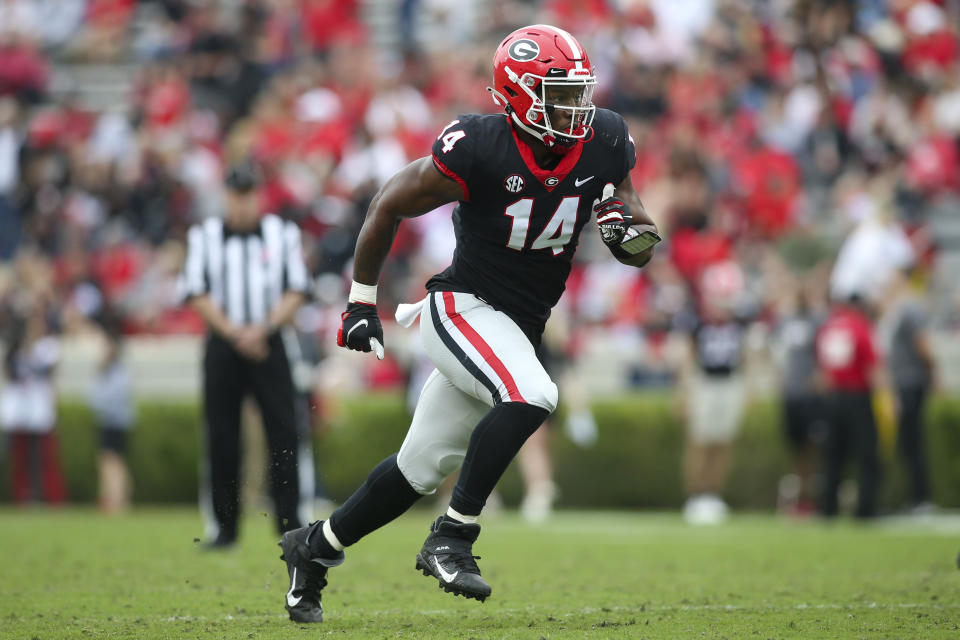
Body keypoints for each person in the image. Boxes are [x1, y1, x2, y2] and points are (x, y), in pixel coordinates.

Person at [278, 24, 659, 623]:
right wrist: (359, 302)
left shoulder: (607, 138)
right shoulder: (479, 144)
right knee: (535, 393)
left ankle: (313, 549)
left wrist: (631, 234)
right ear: (517, 96)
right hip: (462, 307)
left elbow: (634, 232)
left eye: (579, 93)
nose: (575, 109)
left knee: (417, 468)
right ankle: (453, 536)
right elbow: (389, 202)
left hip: (518, 326)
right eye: (557, 95)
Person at [180, 162, 311, 548]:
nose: (243, 202)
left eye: (249, 193)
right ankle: (224, 527)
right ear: (226, 196)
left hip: (270, 341)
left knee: (285, 432)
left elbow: (297, 289)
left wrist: (264, 329)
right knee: (221, 435)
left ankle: (290, 522)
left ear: (259, 195)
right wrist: (235, 332)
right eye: (237, 194)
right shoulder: (204, 235)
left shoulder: (282, 233)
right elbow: (196, 291)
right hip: (224, 343)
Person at [676, 261, 750, 525]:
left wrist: (748, 389)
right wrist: (683, 393)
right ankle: (696, 496)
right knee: (699, 442)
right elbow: (687, 359)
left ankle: (713, 495)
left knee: (722, 442)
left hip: (729, 383)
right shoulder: (697, 322)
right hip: (704, 383)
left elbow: (745, 357)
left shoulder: (740, 323)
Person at [815, 294, 881, 519]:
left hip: (833, 397)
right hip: (857, 395)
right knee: (867, 455)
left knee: (833, 456)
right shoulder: (860, 326)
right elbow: (871, 364)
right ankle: (866, 509)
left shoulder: (829, 327)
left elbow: (822, 368)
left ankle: (829, 509)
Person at [880, 268, 936, 514]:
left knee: (913, 442)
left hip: (911, 383)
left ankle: (921, 499)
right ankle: (914, 498)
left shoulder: (909, 307)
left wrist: (933, 373)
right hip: (903, 383)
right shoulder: (897, 309)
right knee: (906, 444)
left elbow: (922, 344)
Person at [772, 279, 826, 517]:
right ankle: (800, 498)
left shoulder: (818, 321)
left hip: (810, 395)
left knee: (814, 447)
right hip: (792, 394)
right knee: (796, 448)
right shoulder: (785, 321)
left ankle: (811, 498)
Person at [88, 327, 135, 514]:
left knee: (113, 461)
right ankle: (113, 498)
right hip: (107, 420)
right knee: (108, 461)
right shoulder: (105, 370)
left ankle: (118, 500)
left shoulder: (120, 371)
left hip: (116, 421)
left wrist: (100, 400)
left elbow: (112, 396)